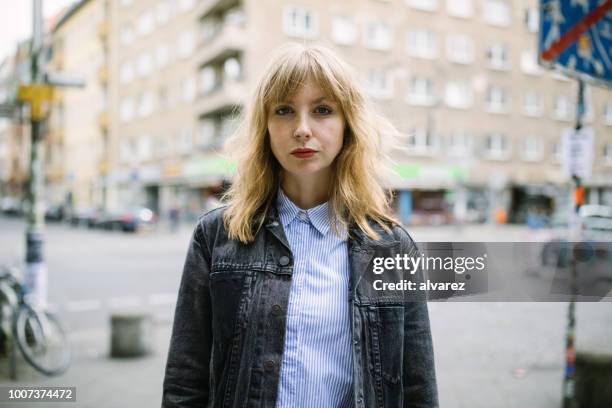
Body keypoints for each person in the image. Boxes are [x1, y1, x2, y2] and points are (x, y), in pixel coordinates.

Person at [162, 43, 438, 407]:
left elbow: (418, 386)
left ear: (347, 125)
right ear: (265, 126)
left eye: (323, 110)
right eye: (284, 110)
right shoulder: (217, 236)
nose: (302, 129)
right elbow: (186, 380)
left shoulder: (391, 246)